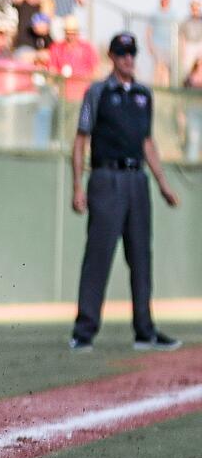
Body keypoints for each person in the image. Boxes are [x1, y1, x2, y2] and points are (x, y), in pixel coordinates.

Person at [69, 33, 181, 352]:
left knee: (141, 256)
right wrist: (78, 185)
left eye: (132, 53)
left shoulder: (144, 95)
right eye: (122, 53)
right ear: (112, 57)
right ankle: (84, 331)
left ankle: (145, 330)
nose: (128, 59)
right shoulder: (98, 92)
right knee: (99, 256)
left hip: (137, 180)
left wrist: (162, 184)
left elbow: (147, 142)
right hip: (106, 177)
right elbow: (80, 140)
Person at [47, 15, 97, 101]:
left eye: (73, 33)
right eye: (68, 33)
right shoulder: (56, 48)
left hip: (83, 95)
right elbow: (52, 70)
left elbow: (95, 71)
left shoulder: (87, 48)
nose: (71, 36)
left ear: (78, 33)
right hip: (62, 96)